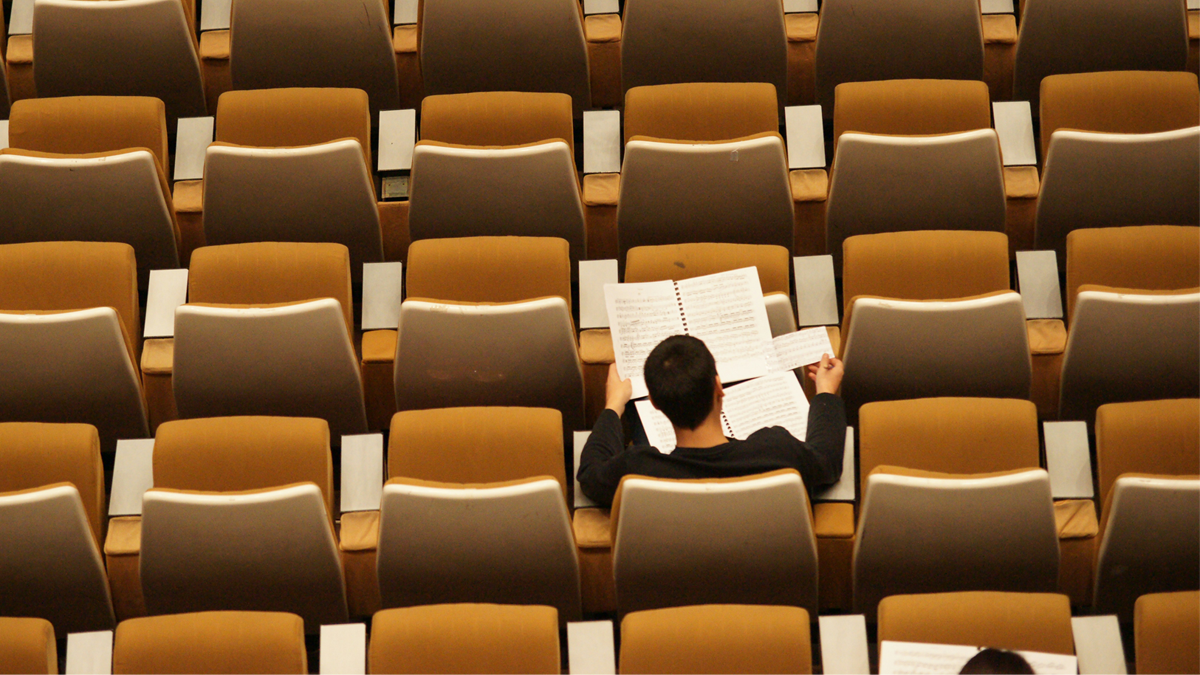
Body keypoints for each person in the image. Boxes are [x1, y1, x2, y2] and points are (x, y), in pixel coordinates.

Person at [577, 334, 846, 507]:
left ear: (655, 404)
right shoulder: (777, 451)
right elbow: (827, 461)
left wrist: (613, 404)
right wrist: (825, 392)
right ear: (718, 387)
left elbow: (589, 474)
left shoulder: (639, 471)